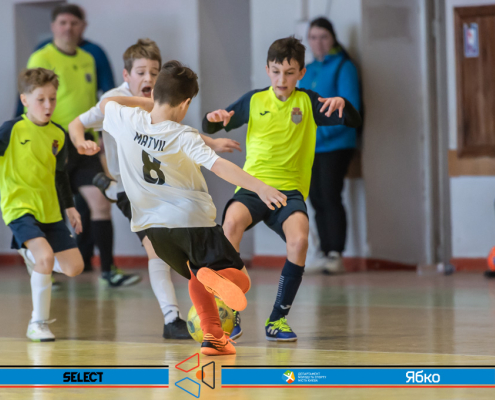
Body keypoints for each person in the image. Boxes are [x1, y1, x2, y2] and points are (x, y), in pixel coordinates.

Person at [97, 60, 287, 355]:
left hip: (155, 232)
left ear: (155, 92)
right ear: (186, 103)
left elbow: (106, 103)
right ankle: (218, 280)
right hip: (192, 222)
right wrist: (260, 187)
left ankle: (213, 337)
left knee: (198, 276)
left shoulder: (127, 119)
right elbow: (219, 166)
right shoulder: (182, 134)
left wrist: (148, 101)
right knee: (241, 280)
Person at [69, 39, 241, 339]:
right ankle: (171, 318)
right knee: (155, 251)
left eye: (154, 72)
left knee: (172, 249)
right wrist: (80, 141)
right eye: (141, 72)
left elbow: (175, 130)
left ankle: (109, 189)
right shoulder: (114, 101)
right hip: (134, 189)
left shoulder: (161, 99)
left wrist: (211, 142)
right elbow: (77, 122)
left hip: (160, 189)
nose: (148, 78)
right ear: (127, 75)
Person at [202, 36, 361, 341]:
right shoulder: (254, 101)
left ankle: (278, 319)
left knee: (299, 240)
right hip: (253, 187)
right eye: (275, 72)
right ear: (267, 70)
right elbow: (212, 126)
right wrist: (213, 119)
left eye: (289, 73)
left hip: (289, 193)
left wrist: (344, 104)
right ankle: (230, 310)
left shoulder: (309, 103)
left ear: (301, 73)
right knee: (230, 225)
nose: (281, 79)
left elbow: (352, 120)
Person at [0, 68, 85, 341]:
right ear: (25, 100)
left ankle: (34, 258)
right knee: (46, 258)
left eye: (52, 99)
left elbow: (60, 175)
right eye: (41, 99)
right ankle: (37, 324)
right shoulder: (13, 129)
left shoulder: (59, 134)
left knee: (74, 268)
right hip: (19, 209)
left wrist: (70, 207)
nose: (48, 105)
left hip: (50, 211)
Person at [25, 4, 137, 286]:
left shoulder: (88, 58)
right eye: (62, 22)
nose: (68, 28)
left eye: (74, 23)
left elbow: (99, 99)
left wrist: (102, 134)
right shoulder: (41, 56)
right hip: (51, 144)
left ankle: (108, 271)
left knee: (101, 202)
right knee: (48, 209)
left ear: (82, 27)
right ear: (53, 26)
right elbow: (30, 102)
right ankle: (45, 271)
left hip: (84, 143)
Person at [299, 17, 361, 275]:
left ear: (333, 39)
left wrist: (318, 134)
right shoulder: (308, 70)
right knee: (315, 197)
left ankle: (336, 253)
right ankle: (324, 252)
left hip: (336, 144)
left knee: (330, 194)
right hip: (312, 147)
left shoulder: (344, 66)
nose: (318, 43)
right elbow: (300, 109)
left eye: (323, 37)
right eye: (313, 37)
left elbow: (349, 109)